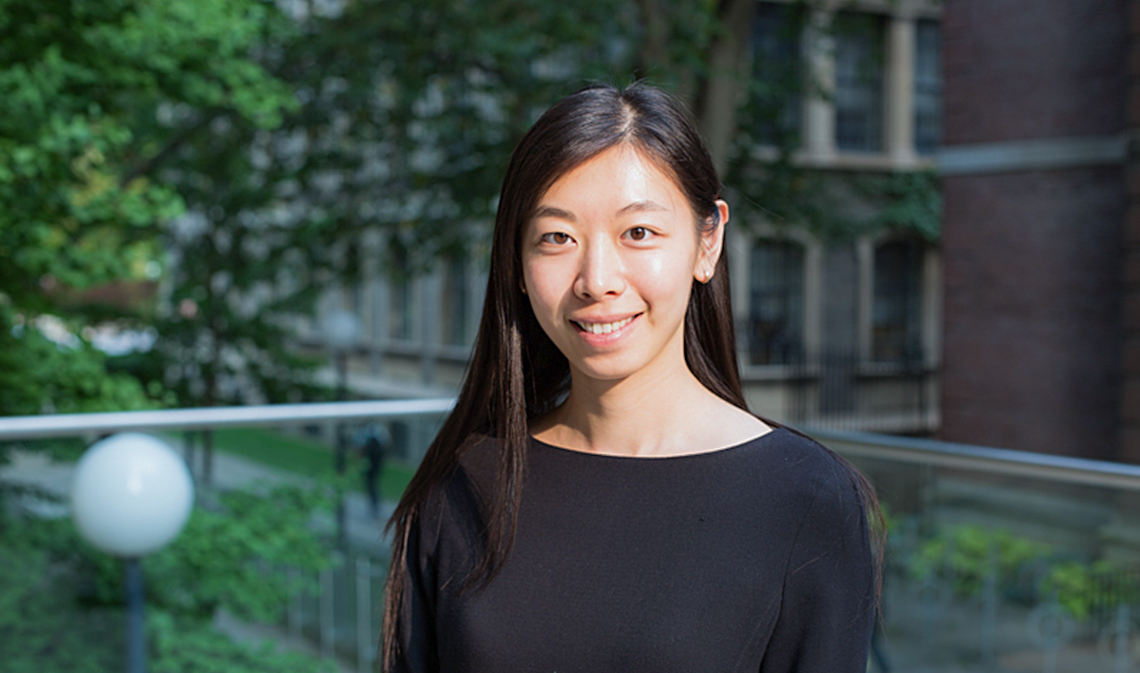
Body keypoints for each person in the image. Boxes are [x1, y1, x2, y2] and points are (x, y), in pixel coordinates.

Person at [381, 82, 880, 673]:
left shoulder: (808, 500)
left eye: (638, 233)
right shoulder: (461, 484)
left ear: (707, 242)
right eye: (556, 238)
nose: (597, 279)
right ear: (516, 262)